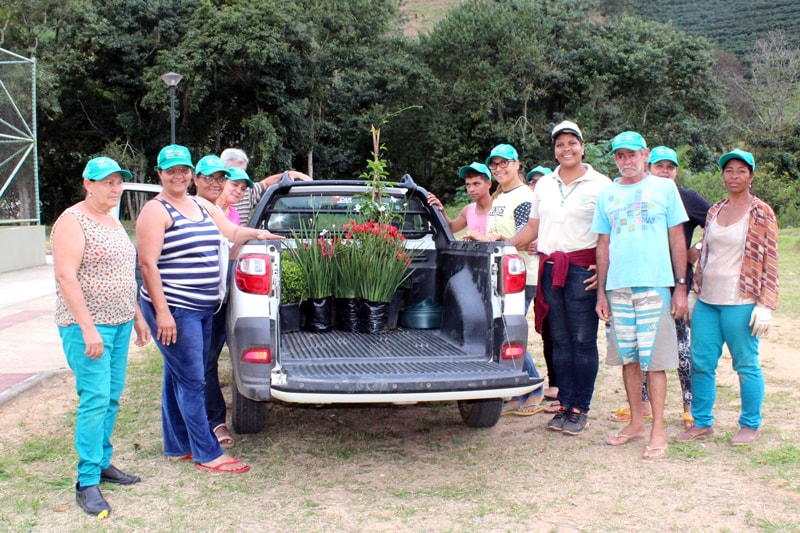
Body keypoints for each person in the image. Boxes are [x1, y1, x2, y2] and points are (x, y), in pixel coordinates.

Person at [136, 144, 282, 474]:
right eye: (171, 171)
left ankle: (177, 446)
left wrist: (262, 234)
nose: (178, 176)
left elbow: (230, 232)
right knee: (192, 381)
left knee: (178, 377)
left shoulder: (200, 206)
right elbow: (147, 264)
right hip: (176, 308)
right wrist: (162, 312)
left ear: (190, 174)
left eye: (183, 170)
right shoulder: (155, 211)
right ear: (160, 173)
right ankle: (207, 452)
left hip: (203, 308)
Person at [51, 156, 150, 517]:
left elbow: (126, 274)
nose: (114, 188)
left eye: (118, 181)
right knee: (94, 399)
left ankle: (103, 463)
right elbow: (66, 277)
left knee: (111, 398)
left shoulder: (111, 220)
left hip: (121, 323)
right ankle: (87, 480)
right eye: (106, 182)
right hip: (87, 328)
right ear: (87, 184)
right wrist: (88, 327)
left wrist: (138, 317)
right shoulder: (71, 221)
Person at [510, 121, 611, 435]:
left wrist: (605, 270)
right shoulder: (543, 185)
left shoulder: (601, 184)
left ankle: (581, 407)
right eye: (560, 144)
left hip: (582, 270)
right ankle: (565, 403)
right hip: (551, 270)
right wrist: (499, 245)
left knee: (582, 342)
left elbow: (611, 234)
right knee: (560, 342)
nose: (566, 149)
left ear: (583, 146)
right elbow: (532, 229)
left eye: (572, 143)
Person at [592, 131, 688, 459]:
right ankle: (635, 422)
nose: (627, 161)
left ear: (645, 154)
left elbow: (677, 239)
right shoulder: (607, 193)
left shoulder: (664, 188)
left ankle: (658, 428)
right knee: (629, 359)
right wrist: (601, 293)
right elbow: (602, 245)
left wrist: (680, 286)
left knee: (656, 361)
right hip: (618, 287)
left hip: (655, 286)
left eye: (632, 154)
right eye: (620, 156)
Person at [676, 149, 778, 446]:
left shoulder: (761, 212)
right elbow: (705, 252)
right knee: (701, 362)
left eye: (741, 171)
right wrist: (695, 291)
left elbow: (770, 259)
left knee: (745, 363)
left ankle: (749, 424)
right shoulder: (715, 210)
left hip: (741, 301)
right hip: (708, 299)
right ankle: (702, 422)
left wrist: (765, 303)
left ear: (751, 176)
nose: (734, 176)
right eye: (729, 170)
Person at [612, 146, 711, 429]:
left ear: (676, 171)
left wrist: (699, 248)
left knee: (680, 347)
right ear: (648, 165)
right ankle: (642, 404)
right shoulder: (635, 192)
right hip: (637, 282)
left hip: (674, 284)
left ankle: (688, 404)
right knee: (641, 349)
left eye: (671, 166)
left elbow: (716, 221)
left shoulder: (686, 197)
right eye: (659, 165)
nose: (665, 171)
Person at [481, 143, 543, 415]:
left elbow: (524, 235)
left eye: (504, 162)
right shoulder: (500, 197)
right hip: (498, 274)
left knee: (508, 332)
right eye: (494, 164)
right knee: (500, 333)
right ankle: (516, 394)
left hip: (520, 275)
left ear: (518, 164)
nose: (499, 168)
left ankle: (534, 387)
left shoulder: (523, 197)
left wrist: (493, 240)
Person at [204, 164, 255, 450]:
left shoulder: (232, 214)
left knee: (216, 358)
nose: (237, 191)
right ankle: (215, 421)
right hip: (206, 298)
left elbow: (233, 252)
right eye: (233, 184)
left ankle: (211, 416)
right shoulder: (205, 211)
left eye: (242, 188)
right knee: (207, 360)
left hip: (227, 297)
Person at [221, 148, 311, 226]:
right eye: (234, 184)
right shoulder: (210, 202)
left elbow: (265, 184)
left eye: (242, 171)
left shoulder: (247, 192)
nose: (238, 190)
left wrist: (290, 174)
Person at [427, 162, 492, 238]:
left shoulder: (501, 206)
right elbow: (450, 228)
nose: (471, 189)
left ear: (488, 184)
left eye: (476, 184)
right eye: (468, 185)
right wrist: (441, 210)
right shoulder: (468, 210)